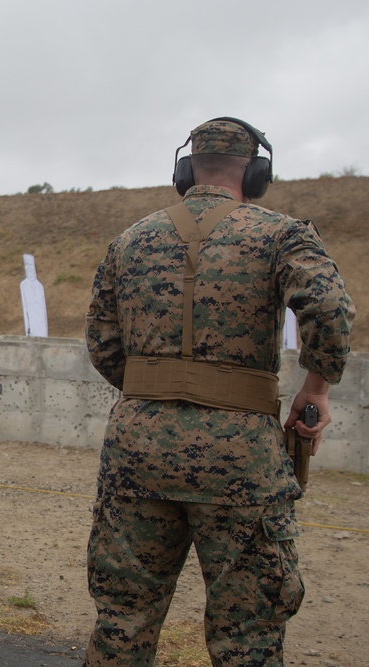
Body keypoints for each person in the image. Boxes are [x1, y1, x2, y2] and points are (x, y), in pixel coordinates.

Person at [82, 117, 355, 665]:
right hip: (240, 457)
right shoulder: (282, 234)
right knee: (247, 635)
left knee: (123, 622)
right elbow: (328, 311)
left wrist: (154, 394)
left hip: (137, 451)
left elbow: (101, 341)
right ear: (256, 173)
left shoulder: (129, 241)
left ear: (186, 171)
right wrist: (316, 389)